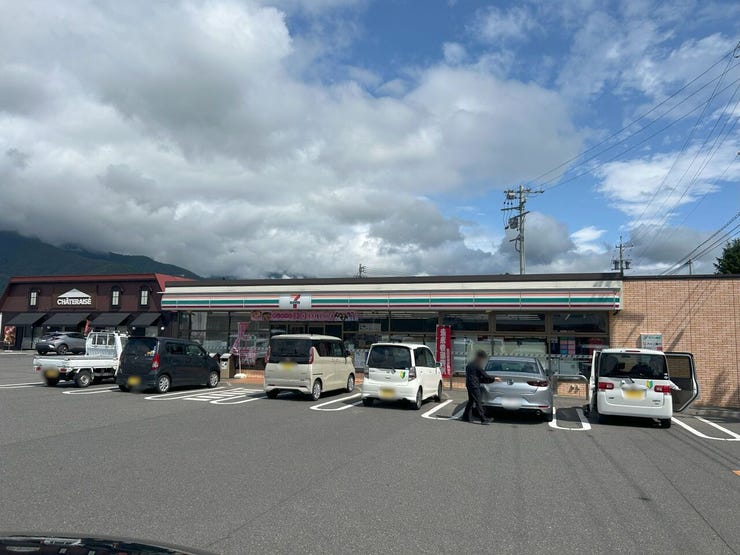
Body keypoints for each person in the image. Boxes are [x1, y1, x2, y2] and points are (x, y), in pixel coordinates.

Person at [461, 350, 498, 425]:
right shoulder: (477, 365)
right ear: (480, 357)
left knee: (471, 401)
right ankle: (483, 419)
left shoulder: (470, 364)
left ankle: (465, 417)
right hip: (474, 385)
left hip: (469, 384)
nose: (482, 360)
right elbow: (484, 375)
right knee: (478, 401)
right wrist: (494, 378)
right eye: (482, 358)